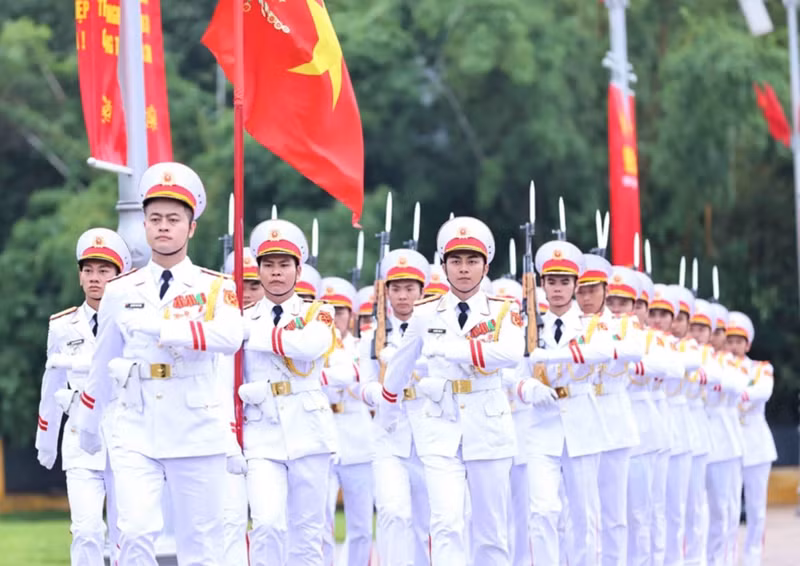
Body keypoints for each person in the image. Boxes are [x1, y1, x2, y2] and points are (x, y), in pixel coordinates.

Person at [73, 162, 244, 565]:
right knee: (133, 533)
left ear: (191, 227)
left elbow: (230, 337)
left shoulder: (215, 286)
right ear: (144, 225)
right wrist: (89, 422)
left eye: (173, 219)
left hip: (196, 426)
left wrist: (163, 327)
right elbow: (102, 362)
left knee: (201, 545)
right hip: (137, 423)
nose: (163, 227)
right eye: (155, 219)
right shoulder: (120, 290)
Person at [382, 217, 523, 565]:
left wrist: (455, 350)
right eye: (455, 261)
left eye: (472, 261)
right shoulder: (424, 313)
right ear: (443, 266)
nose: (463, 269)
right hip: (440, 424)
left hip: (488, 425)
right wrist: (387, 409)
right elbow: (400, 364)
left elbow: (511, 353)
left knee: (491, 532)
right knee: (446, 524)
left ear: (486, 267)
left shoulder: (503, 311)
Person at [238, 218, 337, 565]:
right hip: (261, 430)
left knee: (308, 532)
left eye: (284, 265)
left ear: (299, 270)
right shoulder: (243, 316)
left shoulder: (318, 312)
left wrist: (254, 336)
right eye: (268, 265)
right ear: (258, 269)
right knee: (266, 524)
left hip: (309, 430)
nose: (276, 273)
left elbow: (309, 346)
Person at [36, 228, 131, 566]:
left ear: (119, 276)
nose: (95, 278)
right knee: (86, 531)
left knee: (128, 533)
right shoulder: (63, 326)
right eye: (88, 270)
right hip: (79, 438)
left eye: (104, 270)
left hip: (125, 437)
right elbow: (52, 384)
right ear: (79, 276)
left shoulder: (132, 321)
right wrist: (45, 439)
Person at [513, 240, 610, 566]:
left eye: (564, 282)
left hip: (581, 423)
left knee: (584, 517)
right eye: (551, 281)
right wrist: (529, 388)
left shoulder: (592, 324)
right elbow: (513, 376)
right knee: (542, 511)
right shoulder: (528, 326)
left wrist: (554, 356)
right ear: (542, 284)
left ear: (575, 285)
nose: (557, 288)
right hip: (541, 426)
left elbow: (604, 352)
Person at [361, 248, 433, 566]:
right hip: (389, 432)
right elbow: (362, 384)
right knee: (393, 512)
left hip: (429, 430)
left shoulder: (436, 330)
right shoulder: (373, 336)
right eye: (396, 289)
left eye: (409, 288)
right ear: (386, 292)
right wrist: (378, 393)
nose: (403, 296)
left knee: (427, 522)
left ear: (422, 291)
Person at [577, 256, 640, 566]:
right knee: (580, 513)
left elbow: (635, 350)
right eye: (581, 290)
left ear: (605, 290)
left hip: (613, 420)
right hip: (579, 421)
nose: (586, 297)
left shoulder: (622, 325)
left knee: (614, 515)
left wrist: (598, 342)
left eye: (593, 290)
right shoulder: (566, 324)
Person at [319, 276, 375, 566]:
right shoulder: (312, 345)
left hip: (357, 438)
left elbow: (362, 379)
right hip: (322, 437)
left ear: (350, 315)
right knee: (320, 522)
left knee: (361, 526)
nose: (334, 317)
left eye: (339, 311)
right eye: (327, 310)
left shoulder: (363, 346)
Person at [219, 247, 265, 566]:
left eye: (253, 285)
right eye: (238, 284)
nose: (245, 293)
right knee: (229, 522)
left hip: (268, 438)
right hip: (225, 438)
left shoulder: (280, 325)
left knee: (270, 524)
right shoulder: (214, 326)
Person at [727, 312, 777, 566]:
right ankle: (728, 554)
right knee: (728, 505)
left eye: (739, 341)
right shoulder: (717, 365)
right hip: (729, 442)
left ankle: (752, 555)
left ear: (747, 344)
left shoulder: (761, 368)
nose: (734, 346)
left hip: (756, 444)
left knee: (757, 506)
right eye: (730, 340)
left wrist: (739, 393)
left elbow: (763, 391)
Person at [492, 277, 533, 566]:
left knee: (524, 512)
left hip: (523, 429)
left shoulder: (529, 336)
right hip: (494, 428)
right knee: (495, 512)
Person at [670, 286, 709, 566]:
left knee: (688, 505)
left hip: (687, 431)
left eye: (679, 319)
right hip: (654, 431)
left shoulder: (691, 348)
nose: (673, 324)